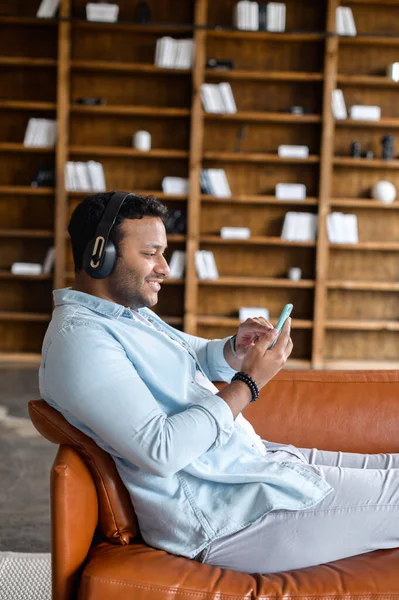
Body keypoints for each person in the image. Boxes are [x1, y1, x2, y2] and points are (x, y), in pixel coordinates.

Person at [39, 191, 399, 574]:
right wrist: (248, 383)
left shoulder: (122, 316)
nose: (165, 268)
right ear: (100, 256)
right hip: (228, 518)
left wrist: (234, 349)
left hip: (250, 473)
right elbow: (160, 451)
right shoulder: (80, 341)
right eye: (150, 254)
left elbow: (187, 354)